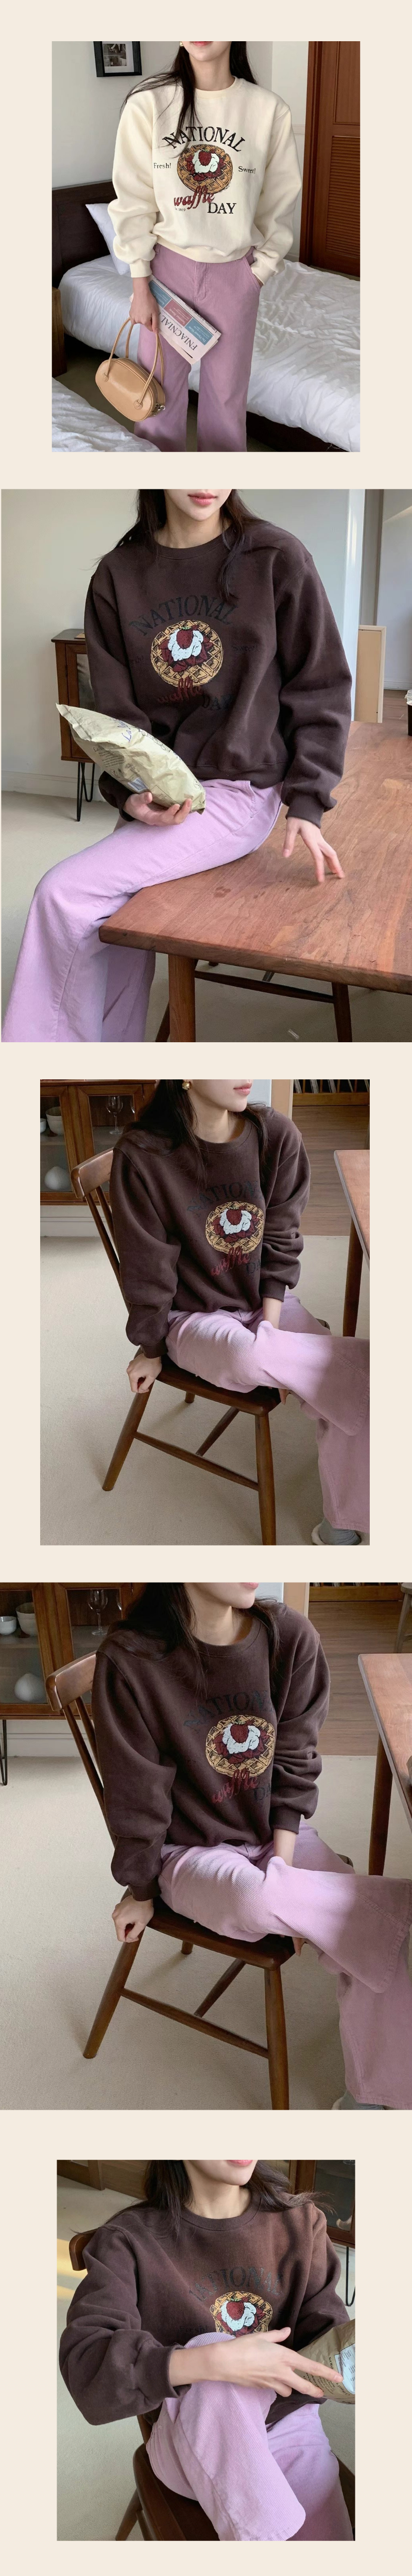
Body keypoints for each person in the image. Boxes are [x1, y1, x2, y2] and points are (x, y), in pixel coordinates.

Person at [3, 490, 351, 1044]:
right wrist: (129, 795)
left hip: (239, 788)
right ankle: (108, 1065)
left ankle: (41, 1067)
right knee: (111, 914)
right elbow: (117, 717)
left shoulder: (275, 557)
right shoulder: (117, 575)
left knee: (62, 893)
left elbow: (320, 685)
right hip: (160, 788)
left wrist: (308, 801)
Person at [91, 1581, 412, 2108]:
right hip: (189, 1853)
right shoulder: (131, 1660)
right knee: (274, 1901)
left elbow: (294, 1760)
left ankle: (377, 2097)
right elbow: (136, 1793)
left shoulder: (290, 1637)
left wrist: (281, 1864)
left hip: (276, 1835)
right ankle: (402, 1907)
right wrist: (142, 1889)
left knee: (371, 1940)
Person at [110, 1076, 370, 1543]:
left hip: (264, 1302)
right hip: (191, 1318)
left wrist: (270, 1327)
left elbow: (281, 1239)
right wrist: (150, 1347)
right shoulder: (144, 1155)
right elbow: (146, 1265)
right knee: (307, 1366)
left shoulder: (277, 1136)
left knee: (335, 1386)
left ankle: (342, 1524)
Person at [59, 2157, 353, 2540]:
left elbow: (327, 2343)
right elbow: (88, 2367)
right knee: (214, 2358)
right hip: (188, 2440)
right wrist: (212, 2361)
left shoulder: (301, 2223)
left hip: (291, 2429)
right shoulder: (128, 2240)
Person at [109, 41, 302, 451]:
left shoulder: (268, 111)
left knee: (227, 405)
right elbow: (134, 200)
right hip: (165, 273)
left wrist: (259, 272)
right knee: (155, 400)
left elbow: (280, 200)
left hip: (235, 274)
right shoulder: (149, 104)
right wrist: (140, 282)